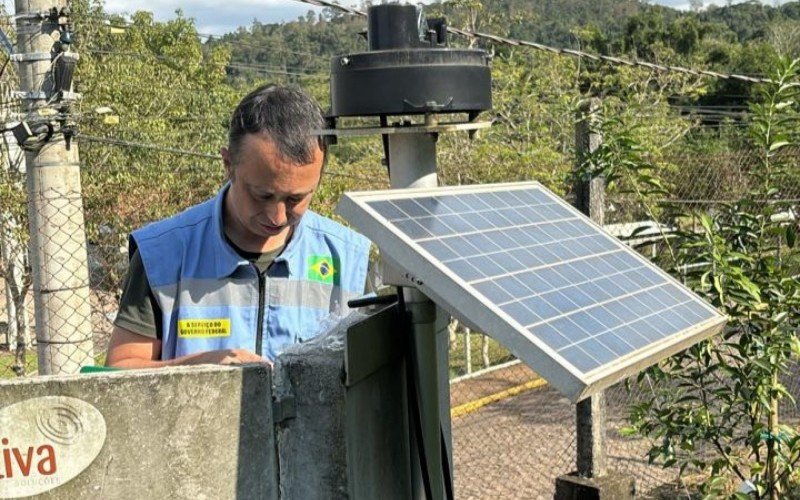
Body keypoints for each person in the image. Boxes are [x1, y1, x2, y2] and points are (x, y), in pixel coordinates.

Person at [105, 84, 371, 368]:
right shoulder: (163, 255)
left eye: (296, 198)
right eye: (262, 195)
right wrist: (202, 367)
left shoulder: (348, 259)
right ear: (228, 163)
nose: (277, 217)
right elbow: (120, 370)